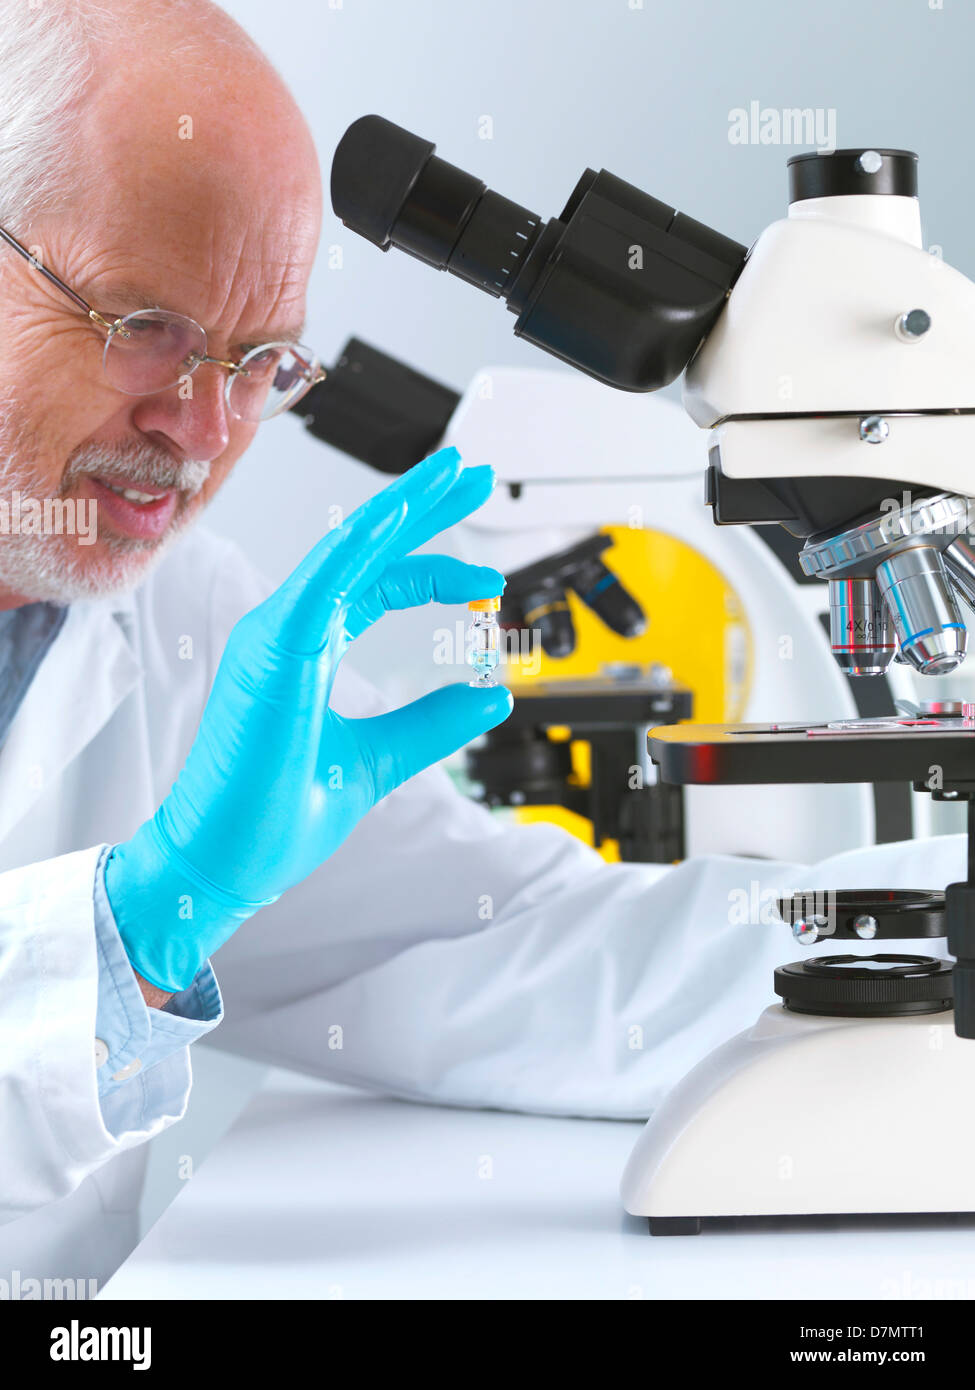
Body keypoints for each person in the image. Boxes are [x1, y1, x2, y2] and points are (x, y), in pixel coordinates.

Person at [0, 0, 962, 1291]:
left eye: (259, 360)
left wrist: (930, 935)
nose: (205, 428)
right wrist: (136, 924)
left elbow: (505, 948)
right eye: (147, 327)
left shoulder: (180, 627)